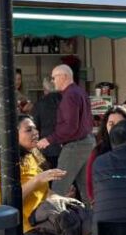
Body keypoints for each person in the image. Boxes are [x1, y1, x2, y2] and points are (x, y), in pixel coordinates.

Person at [37, 64, 94, 201]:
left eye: (54, 77)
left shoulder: (70, 95)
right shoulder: (79, 92)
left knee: (58, 188)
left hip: (75, 145)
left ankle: (54, 220)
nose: (53, 81)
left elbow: (69, 127)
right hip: (87, 142)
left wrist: (48, 139)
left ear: (64, 76)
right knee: (85, 188)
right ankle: (91, 218)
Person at [85, 106, 126, 204]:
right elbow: (91, 187)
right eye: (111, 124)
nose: (115, 128)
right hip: (107, 205)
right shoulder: (98, 151)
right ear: (106, 126)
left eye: (119, 124)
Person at [34, 78, 63, 167]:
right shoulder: (67, 101)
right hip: (67, 147)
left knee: (49, 176)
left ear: (45, 89)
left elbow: (34, 126)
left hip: (47, 147)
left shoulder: (39, 104)